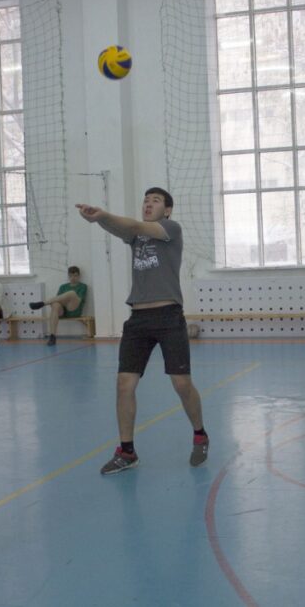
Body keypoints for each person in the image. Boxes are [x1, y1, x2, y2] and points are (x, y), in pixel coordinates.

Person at [77, 187, 208, 474]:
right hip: (138, 319)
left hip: (168, 316)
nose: (148, 204)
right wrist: (99, 219)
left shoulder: (171, 229)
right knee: (124, 384)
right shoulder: (135, 236)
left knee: (181, 384)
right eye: (145, 200)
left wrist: (103, 214)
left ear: (167, 210)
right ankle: (127, 451)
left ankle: (200, 434)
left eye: (155, 201)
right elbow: (121, 228)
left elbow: (133, 226)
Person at [29, 266, 88, 346]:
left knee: (72, 293)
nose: (73, 278)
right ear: (68, 276)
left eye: (75, 276)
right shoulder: (63, 286)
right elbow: (57, 300)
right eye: (71, 276)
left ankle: (43, 303)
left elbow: (79, 300)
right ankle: (52, 336)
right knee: (55, 304)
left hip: (74, 309)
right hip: (62, 311)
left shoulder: (83, 286)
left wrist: (67, 298)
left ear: (79, 276)